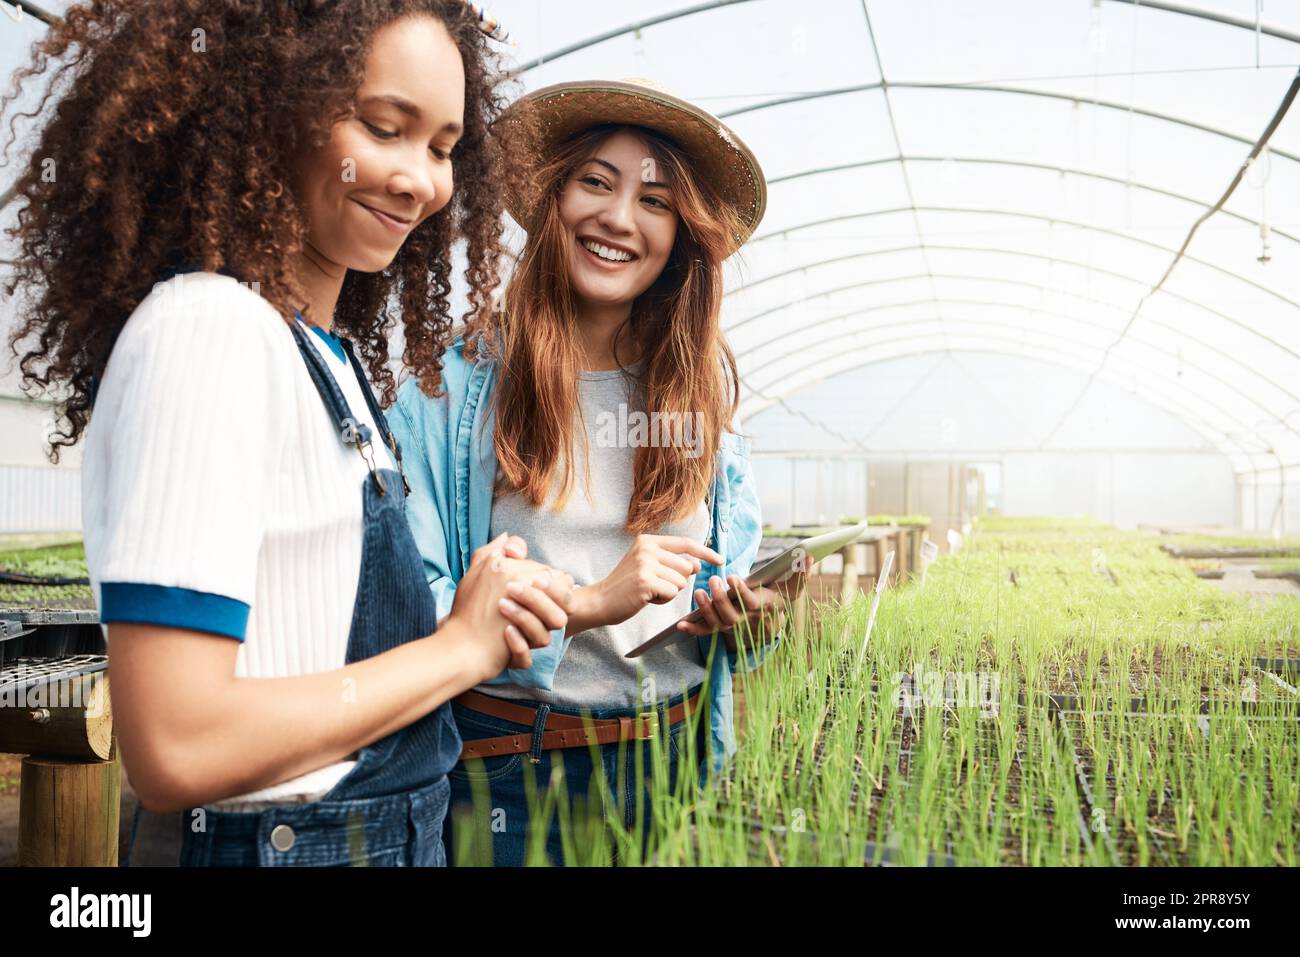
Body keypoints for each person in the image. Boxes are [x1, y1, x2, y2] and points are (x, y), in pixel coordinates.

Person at [2, 0, 571, 867]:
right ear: (271, 99)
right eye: (385, 127)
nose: (420, 179)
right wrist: (459, 650)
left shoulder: (318, 355)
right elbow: (177, 745)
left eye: (444, 148)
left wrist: (464, 616)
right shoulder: (208, 332)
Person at [388, 78, 803, 866]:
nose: (618, 218)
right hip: (514, 769)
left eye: (655, 200)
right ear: (555, 199)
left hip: (671, 753)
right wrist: (585, 603)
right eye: (596, 182)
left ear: (683, 234)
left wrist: (743, 619)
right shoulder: (455, 390)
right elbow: (413, 606)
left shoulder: (698, 389)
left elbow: (729, 570)